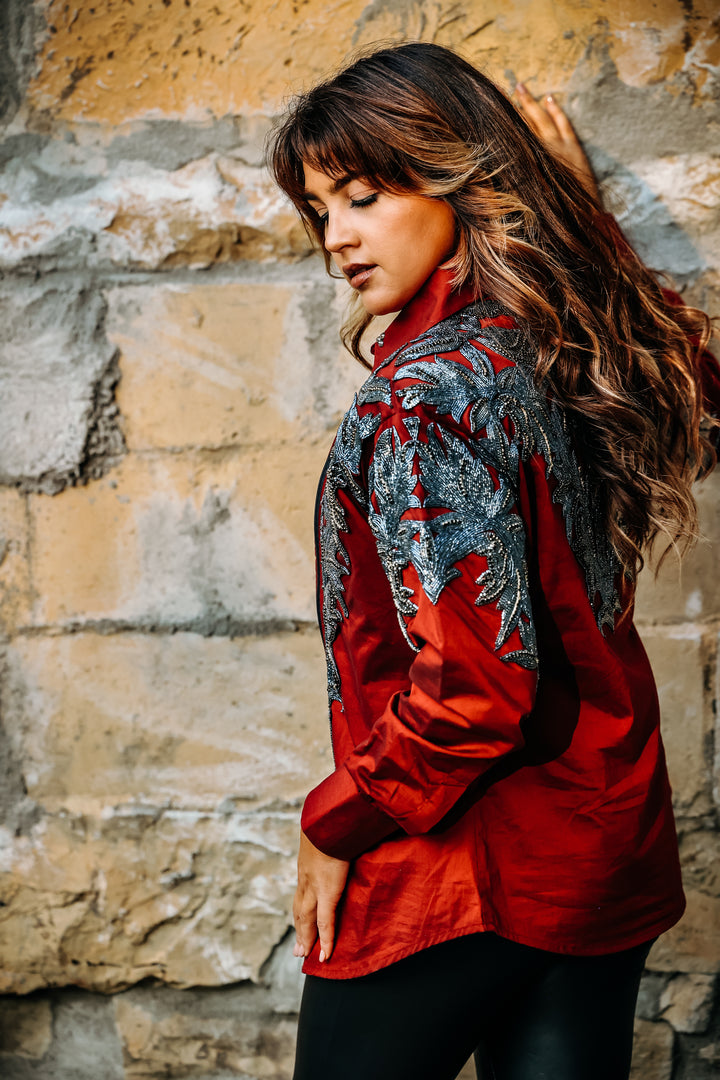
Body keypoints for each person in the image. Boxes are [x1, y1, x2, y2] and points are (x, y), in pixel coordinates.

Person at [268, 41, 719, 1080]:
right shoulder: (554, 344)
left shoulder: (421, 396)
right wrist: (591, 231)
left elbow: (471, 690)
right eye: (320, 210)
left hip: (455, 864)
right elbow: (697, 392)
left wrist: (333, 819)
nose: (338, 237)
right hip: (602, 845)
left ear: (456, 174)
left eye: (365, 196)